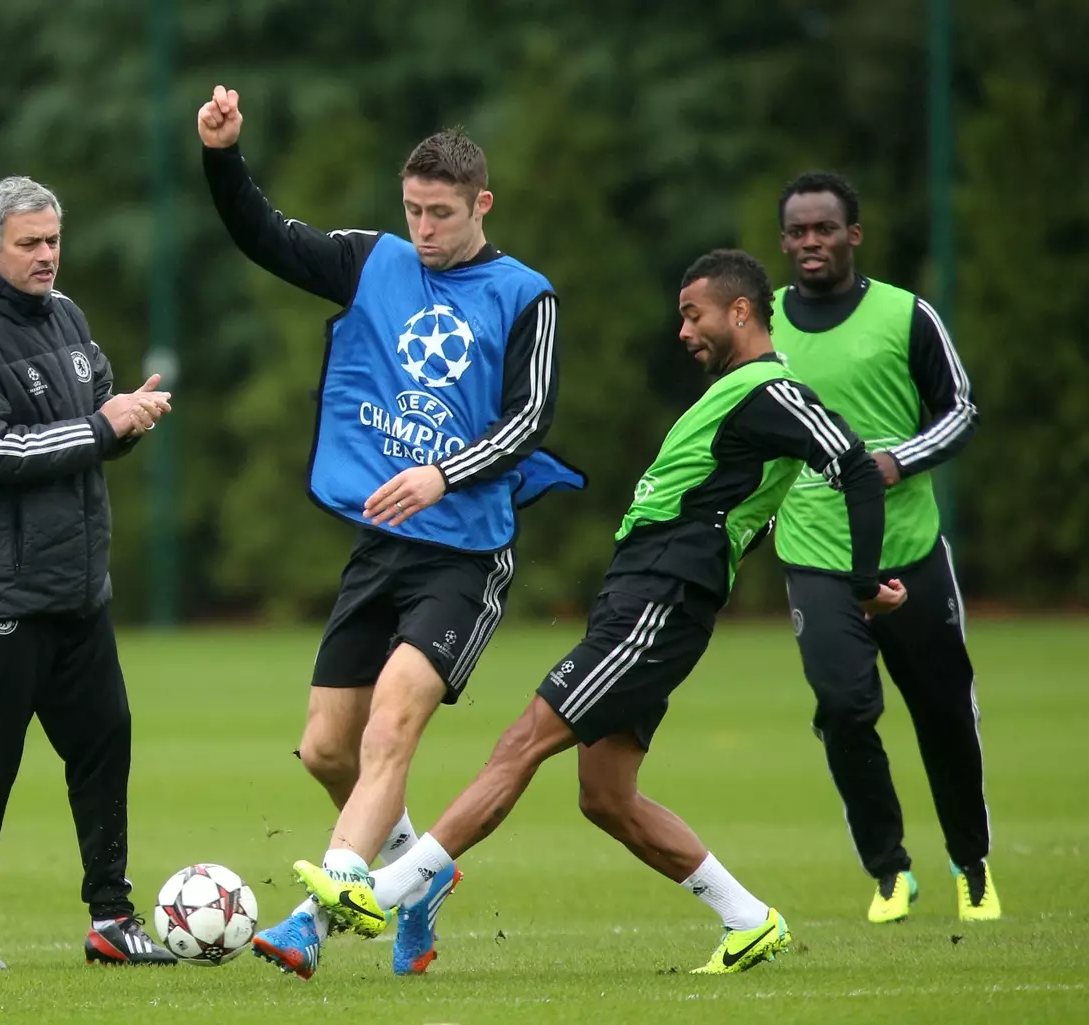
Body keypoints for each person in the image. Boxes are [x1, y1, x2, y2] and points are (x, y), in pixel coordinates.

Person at [295, 250, 906, 974]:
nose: (683, 330)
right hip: (646, 595)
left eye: (693, 313)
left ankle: (391, 886)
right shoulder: (740, 391)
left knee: (521, 742)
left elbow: (855, 464)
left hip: (663, 597)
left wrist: (863, 581)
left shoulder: (771, 390)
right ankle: (749, 919)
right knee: (607, 795)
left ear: (741, 311)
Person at [198, 85, 585, 979]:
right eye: (412, 210)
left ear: (481, 204)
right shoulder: (372, 260)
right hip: (383, 546)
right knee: (327, 747)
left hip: (465, 552)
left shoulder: (526, 295)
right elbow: (265, 234)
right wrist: (223, 156)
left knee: (389, 732)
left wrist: (442, 471)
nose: (424, 230)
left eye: (441, 214)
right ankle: (416, 882)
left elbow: (531, 419)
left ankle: (316, 912)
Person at [0, 176, 176, 970]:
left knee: (105, 744)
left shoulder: (66, 316)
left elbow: (91, 421)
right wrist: (103, 424)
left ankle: (112, 918)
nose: (47, 256)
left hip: (75, 585)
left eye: (54, 240)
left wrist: (126, 417)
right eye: (30, 243)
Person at [771, 171, 996, 923]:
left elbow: (960, 409)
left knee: (941, 709)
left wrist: (900, 458)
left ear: (852, 236)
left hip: (908, 546)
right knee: (842, 707)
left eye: (825, 229)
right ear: (784, 241)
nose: (811, 241)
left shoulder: (906, 315)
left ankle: (972, 864)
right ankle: (890, 870)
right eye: (798, 231)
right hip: (814, 554)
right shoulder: (762, 323)